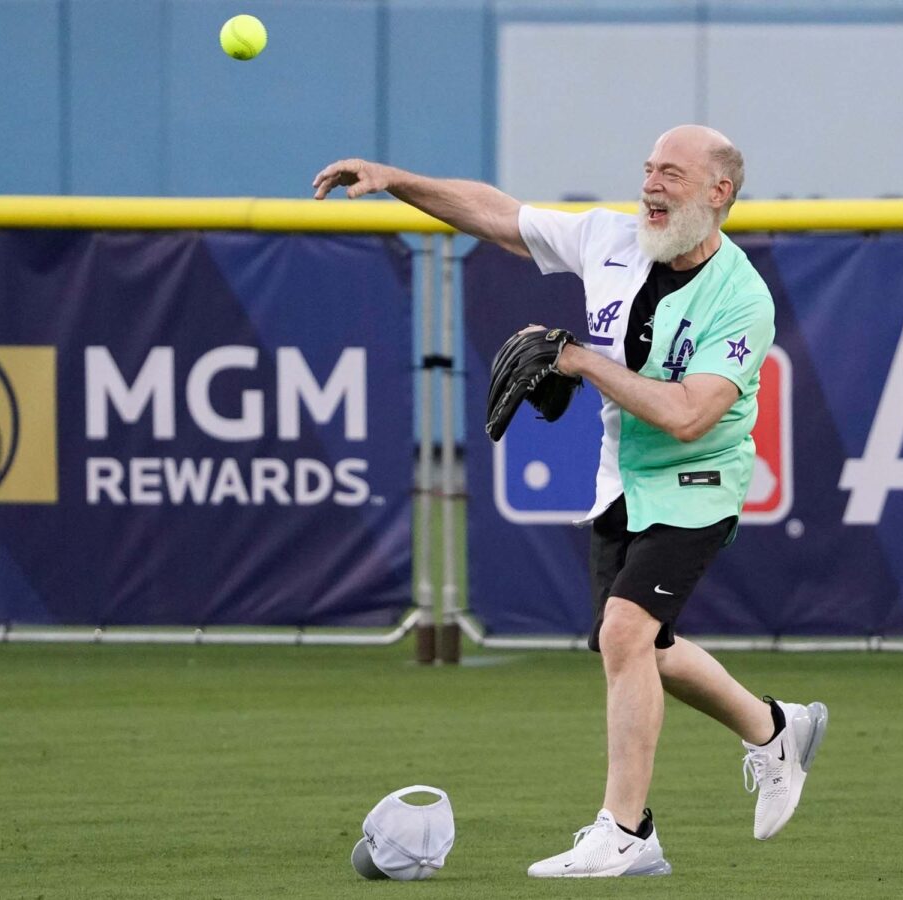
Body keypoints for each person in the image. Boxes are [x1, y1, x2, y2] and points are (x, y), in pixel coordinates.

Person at [312, 125, 827, 878]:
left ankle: (627, 832)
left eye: (672, 174)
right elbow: (498, 215)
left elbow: (688, 416)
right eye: (647, 168)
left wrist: (578, 359)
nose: (651, 185)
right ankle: (772, 727)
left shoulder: (741, 297)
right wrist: (397, 178)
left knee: (623, 634)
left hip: (697, 482)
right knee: (643, 649)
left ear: (719, 194)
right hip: (620, 479)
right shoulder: (608, 239)